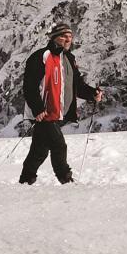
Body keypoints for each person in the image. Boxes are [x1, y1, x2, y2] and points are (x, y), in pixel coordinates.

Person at [18, 22, 102, 185]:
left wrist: (93, 94)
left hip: (59, 112)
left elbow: (77, 85)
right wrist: (37, 108)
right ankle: (66, 180)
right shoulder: (41, 56)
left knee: (39, 150)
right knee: (59, 145)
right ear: (54, 38)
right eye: (63, 36)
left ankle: (26, 180)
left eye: (70, 37)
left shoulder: (69, 58)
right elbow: (29, 85)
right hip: (44, 112)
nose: (67, 40)